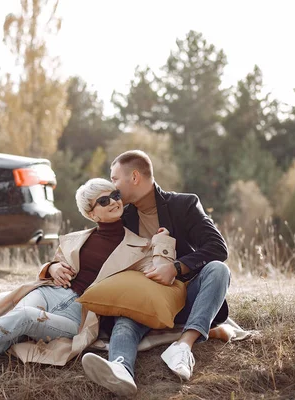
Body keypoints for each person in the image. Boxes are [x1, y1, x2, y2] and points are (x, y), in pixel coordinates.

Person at [0, 178, 175, 399]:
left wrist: (163, 241)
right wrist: (52, 268)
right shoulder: (77, 238)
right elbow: (55, 262)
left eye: (115, 195)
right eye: (104, 200)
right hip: (47, 293)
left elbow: (161, 272)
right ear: (92, 213)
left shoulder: (141, 246)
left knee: (21, 320)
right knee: (10, 330)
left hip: (79, 314)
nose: (114, 202)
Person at [82, 150, 230, 397]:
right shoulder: (122, 215)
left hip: (183, 295)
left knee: (218, 270)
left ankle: (184, 346)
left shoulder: (183, 204)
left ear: (135, 177)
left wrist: (175, 268)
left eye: (115, 178)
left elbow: (218, 248)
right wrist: (54, 266)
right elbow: (92, 242)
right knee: (125, 318)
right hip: (143, 300)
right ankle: (120, 368)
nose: (112, 186)